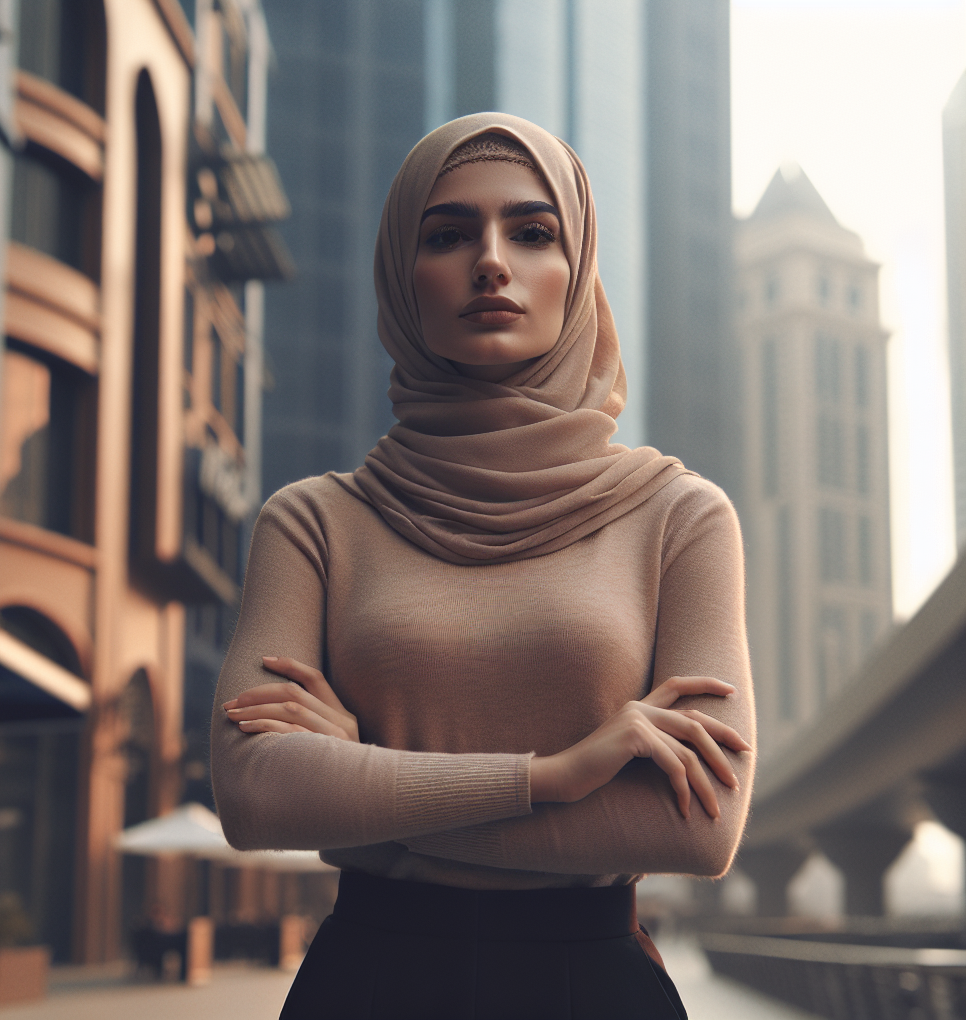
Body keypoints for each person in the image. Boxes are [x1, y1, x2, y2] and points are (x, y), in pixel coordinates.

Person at [211, 113, 755, 1020]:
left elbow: (697, 827)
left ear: (578, 269)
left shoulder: (677, 516)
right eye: (448, 235)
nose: (492, 262)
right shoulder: (314, 523)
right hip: (367, 986)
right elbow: (254, 795)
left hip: (591, 988)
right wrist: (554, 776)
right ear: (401, 275)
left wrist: (366, 782)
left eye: (533, 232)